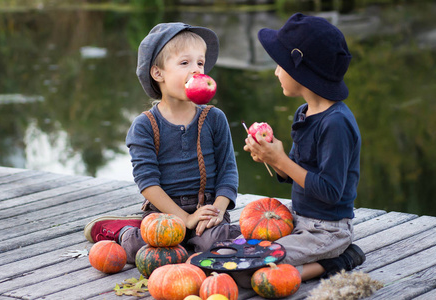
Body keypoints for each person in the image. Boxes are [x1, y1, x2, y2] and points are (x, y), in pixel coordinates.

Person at [84, 22, 240, 263]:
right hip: (164, 212)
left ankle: (201, 238)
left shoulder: (214, 118)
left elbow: (228, 171)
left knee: (219, 248)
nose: (196, 70)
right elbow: (147, 182)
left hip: (207, 207)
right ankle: (124, 231)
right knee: (146, 254)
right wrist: (184, 219)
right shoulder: (144, 126)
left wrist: (216, 212)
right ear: (158, 73)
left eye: (200, 62)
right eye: (185, 63)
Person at [243, 13, 365, 280]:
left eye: (281, 65)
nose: (276, 71)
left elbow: (331, 191)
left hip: (327, 230)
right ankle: (318, 259)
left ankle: (339, 258)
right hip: (299, 220)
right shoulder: (303, 112)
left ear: (302, 71)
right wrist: (272, 157)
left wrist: (281, 161)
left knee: (253, 271)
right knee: (237, 253)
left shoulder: (336, 123)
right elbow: (301, 173)